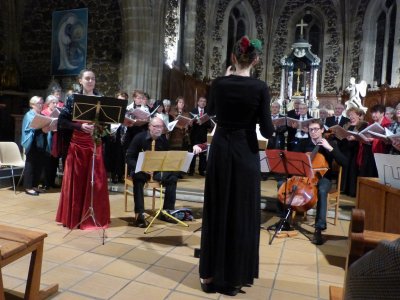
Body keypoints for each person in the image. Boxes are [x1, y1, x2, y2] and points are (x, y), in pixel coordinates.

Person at [199, 36, 273, 296]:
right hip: (245, 153)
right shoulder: (260, 88)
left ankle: (209, 276)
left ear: (232, 58)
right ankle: (234, 279)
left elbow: (211, 111)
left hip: (220, 150)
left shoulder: (218, 84)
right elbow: (267, 129)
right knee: (241, 212)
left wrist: (225, 80)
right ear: (256, 60)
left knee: (217, 208)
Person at [56, 69, 110, 229]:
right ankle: (73, 217)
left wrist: (99, 128)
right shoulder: (73, 99)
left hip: (95, 144)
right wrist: (80, 126)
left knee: (97, 181)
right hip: (77, 146)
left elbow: (106, 123)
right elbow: (62, 122)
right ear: (80, 81)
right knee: (77, 181)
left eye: (93, 78)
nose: (90, 81)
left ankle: (94, 216)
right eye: (87, 78)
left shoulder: (101, 99)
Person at [293, 119, 347, 244]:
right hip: (305, 178)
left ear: (322, 130)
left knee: (322, 191)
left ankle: (319, 228)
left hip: (324, 178)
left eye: (316, 129)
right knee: (285, 186)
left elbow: (344, 162)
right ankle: (284, 220)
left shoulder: (330, 143)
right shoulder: (303, 144)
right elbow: (294, 158)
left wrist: (330, 149)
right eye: (311, 129)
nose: (313, 132)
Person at [126, 117, 179, 228]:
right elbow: (129, 157)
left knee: (173, 177)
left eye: (160, 127)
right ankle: (139, 214)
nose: (158, 129)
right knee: (138, 178)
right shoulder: (139, 138)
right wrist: (141, 167)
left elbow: (167, 158)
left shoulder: (163, 140)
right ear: (149, 126)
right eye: (155, 126)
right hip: (141, 169)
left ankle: (166, 212)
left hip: (157, 171)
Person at [21, 96, 51, 196]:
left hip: (41, 143)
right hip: (32, 143)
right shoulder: (29, 115)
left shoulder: (42, 115)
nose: (41, 105)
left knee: (39, 165)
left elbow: (44, 129)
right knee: (30, 165)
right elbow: (28, 129)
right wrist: (40, 129)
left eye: (42, 103)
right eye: (39, 103)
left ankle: (34, 185)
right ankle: (28, 187)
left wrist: (47, 129)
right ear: (32, 104)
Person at [340, 107, 368, 197]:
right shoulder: (346, 124)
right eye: (349, 115)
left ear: (359, 115)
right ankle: (344, 188)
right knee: (345, 169)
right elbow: (342, 135)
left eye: (353, 114)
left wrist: (355, 138)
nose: (351, 116)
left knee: (353, 169)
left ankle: (352, 191)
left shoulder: (363, 125)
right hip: (345, 149)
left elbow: (364, 137)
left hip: (356, 149)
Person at [189, 96, 211, 176]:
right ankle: (191, 171)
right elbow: (190, 122)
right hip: (194, 135)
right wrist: (194, 122)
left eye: (204, 101)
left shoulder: (207, 112)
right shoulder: (193, 111)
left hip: (203, 136)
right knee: (193, 153)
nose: (203, 102)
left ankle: (202, 170)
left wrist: (202, 122)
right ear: (198, 102)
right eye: (201, 101)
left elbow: (209, 125)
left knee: (203, 155)